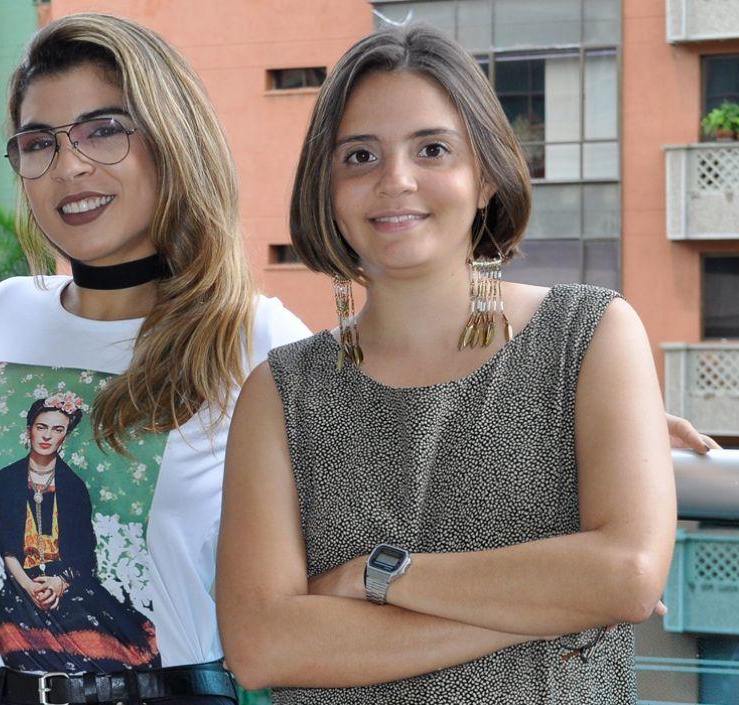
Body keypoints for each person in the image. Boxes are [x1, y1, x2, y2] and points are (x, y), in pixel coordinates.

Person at [216, 24, 678, 704]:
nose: (395, 180)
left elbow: (627, 575)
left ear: (486, 174)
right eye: (359, 156)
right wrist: (549, 606)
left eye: (432, 148)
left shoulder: (591, 335)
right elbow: (261, 645)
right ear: (327, 188)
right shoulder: (283, 393)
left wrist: (378, 576)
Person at [0, 13, 312, 705]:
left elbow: (322, 586)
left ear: (170, 140)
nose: (71, 165)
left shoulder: (259, 337)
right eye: (38, 142)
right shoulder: (8, 309)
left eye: (104, 129)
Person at [0, 395, 159, 670]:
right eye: (41, 427)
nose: (47, 436)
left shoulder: (74, 487)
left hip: (67, 582)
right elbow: (6, 546)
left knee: (104, 641)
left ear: (65, 436)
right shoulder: (6, 480)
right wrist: (30, 587)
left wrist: (58, 584)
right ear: (29, 429)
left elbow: (83, 557)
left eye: (57, 430)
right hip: (21, 582)